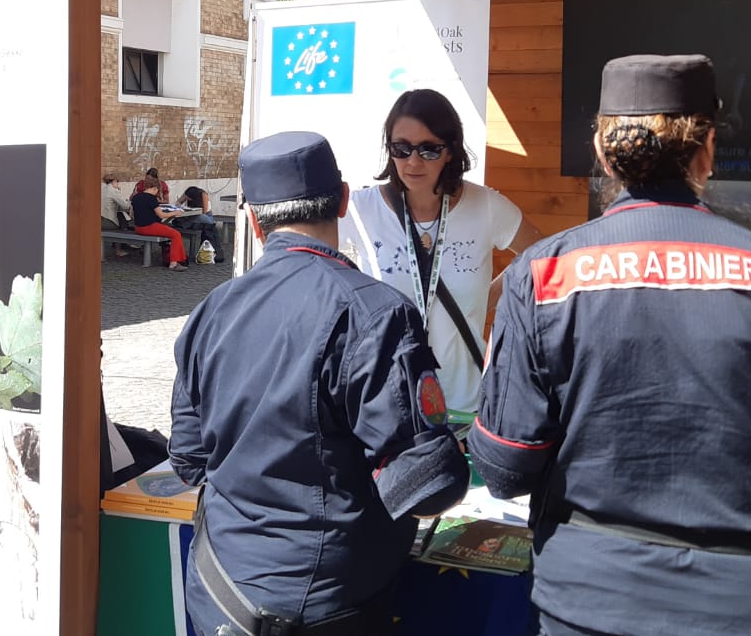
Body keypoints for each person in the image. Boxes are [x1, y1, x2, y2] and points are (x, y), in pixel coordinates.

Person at [471, 54, 751, 636]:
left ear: (601, 152)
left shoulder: (542, 276)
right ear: (709, 149)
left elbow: (505, 467)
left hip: (590, 604)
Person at [171, 131, 469, 635]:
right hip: (323, 609)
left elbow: (189, 459)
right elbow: (426, 486)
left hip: (220, 595)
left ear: (253, 221)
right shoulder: (376, 314)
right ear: (345, 199)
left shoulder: (210, 311)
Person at [339, 88, 541, 413]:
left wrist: (489, 298)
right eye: (401, 148)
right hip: (388, 410)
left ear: (450, 151)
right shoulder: (361, 212)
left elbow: (544, 255)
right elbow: (307, 260)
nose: (413, 161)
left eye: (429, 150)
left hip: (466, 406)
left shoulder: (485, 206)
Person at [131, 178, 188, 271]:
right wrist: (175, 213)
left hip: (138, 227)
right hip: (149, 227)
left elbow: (132, 214)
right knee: (176, 234)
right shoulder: (152, 199)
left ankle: (177, 260)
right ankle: (174, 263)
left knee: (168, 230)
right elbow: (161, 215)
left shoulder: (136, 197)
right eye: (157, 190)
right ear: (154, 188)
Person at [175, 185, 224, 265]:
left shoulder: (203, 194)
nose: (187, 199)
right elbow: (178, 202)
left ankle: (184, 224)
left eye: (189, 198)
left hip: (205, 216)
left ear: (194, 197)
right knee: (190, 218)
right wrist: (179, 205)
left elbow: (204, 211)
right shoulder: (188, 193)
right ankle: (185, 223)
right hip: (191, 215)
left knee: (200, 218)